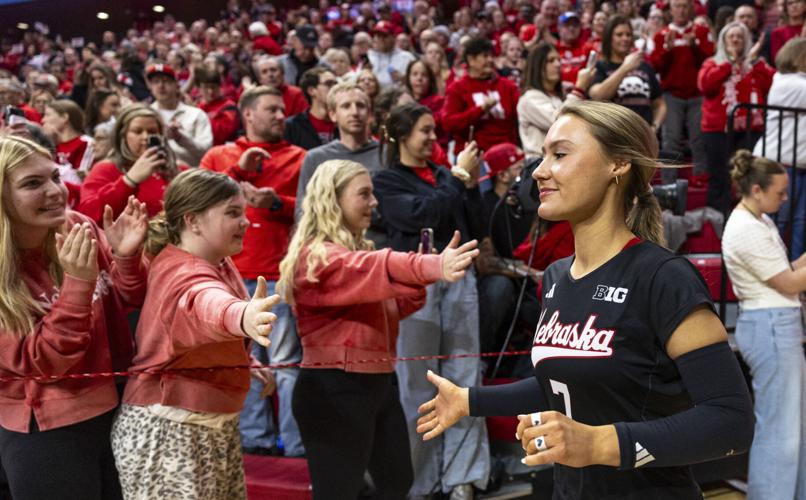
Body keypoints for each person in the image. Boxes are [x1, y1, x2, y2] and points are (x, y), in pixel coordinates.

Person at [416, 101, 754, 499]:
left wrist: (598, 445)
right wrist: (469, 400)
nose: (540, 171)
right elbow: (562, 383)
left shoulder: (664, 278)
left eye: (559, 154)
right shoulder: (557, 276)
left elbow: (731, 422)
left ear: (618, 164)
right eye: (543, 156)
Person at [277, 159, 479, 499]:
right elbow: (376, 264)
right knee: (339, 491)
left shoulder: (355, 253)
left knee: (396, 481)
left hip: (378, 382)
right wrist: (430, 265)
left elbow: (393, 306)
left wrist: (415, 279)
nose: (374, 203)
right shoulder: (316, 258)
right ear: (333, 199)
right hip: (334, 388)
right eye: (364, 194)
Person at [111, 169, 280, 499]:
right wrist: (244, 317)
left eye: (244, 212)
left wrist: (243, 359)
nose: (246, 222)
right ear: (193, 221)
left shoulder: (216, 260)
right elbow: (207, 306)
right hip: (170, 430)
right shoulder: (184, 272)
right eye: (233, 213)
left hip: (202, 426)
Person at [0, 135, 147, 500]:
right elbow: (41, 362)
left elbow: (127, 301)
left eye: (54, 176)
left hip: (115, 408)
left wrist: (127, 260)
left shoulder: (76, 226)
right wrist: (77, 286)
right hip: (47, 430)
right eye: (33, 184)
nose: (55, 191)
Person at [373, 102, 490, 498]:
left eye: (433, 131)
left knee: (464, 378)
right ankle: (418, 483)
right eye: (424, 131)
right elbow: (418, 215)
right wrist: (458, 178)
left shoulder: (444, 175)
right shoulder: (388, 181)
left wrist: (469, 186)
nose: (432, 139)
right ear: (400, 135)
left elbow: (473, 223)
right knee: (418, 386)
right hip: (414, 284)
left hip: (459, 279)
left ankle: (463, 479)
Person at [201, 85, 306, 458]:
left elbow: (317, 210)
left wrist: (277, 202)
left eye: (282, 110)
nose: (282, 116)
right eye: (272, 110)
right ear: (248, 114)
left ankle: (295, 445)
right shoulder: (220, 155)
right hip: (228, 276)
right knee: (240, 362)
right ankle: (256, 443)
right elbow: (195, 201)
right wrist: (236, 171)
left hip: (280, 275)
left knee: (286, 365)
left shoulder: (300, 157)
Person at [721, 150, 806, 500]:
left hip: (777, 324)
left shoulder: (759, 219)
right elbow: (787, 283)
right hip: (769, 326)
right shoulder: (743, 227)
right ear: (756, 190)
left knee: (794, 429)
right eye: (779, 193)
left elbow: (789, 270)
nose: (785, 199)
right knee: (779, 431)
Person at [697, 22, 775, 213]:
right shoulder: (712, 63)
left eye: (740, 36)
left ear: (747, 41)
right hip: (718, 130)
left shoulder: (756, 64)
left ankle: (748, 217)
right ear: (723, 41)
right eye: (731, 36)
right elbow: (705, 86)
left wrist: (755, 63)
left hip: (750, 130)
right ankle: (716, 223)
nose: (735, 39)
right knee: (720, 176)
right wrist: (728, 63)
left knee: (749, 176)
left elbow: (772, 83)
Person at [79, 104, 179, 223]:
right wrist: (129, 181)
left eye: (152, 131)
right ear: (123, 135)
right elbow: (88, 214)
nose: (145, 137)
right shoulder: (105, 169)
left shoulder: (171, 168)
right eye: (138, 131)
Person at [649, 0, 714, 178]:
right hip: (671, 95)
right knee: (671, 140)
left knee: (699, 140)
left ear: (691, 9)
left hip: (697, 94)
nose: (681, 10)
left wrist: (695, 47)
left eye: (685, 6)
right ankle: (669, 186)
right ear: (670, 10)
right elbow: (654, 66)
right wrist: (667, 50)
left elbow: (709, 60)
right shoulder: (661, 35)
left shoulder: (701, 31)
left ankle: (701, 181)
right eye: (677, 6)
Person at [753, 38, 806, 257]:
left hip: (798, 161)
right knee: (780, 219)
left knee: (800, 222)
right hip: (782, 162)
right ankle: (774, 271)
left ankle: (796, 280)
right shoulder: (790, 83)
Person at [442, 37, 520, 157]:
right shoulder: (457, 89)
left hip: (507, 154)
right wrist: (480, 110)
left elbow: (520, 112)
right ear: (471, 60)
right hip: (475, 157)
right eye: (484, 56)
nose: (490, 60)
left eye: (491, 56)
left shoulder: (507, 86)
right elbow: (449, 123)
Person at [589, 15, 666, 129]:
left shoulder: (644, 66)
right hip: (613, 134)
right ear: (609, 38)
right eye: (619, 35)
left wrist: (654, 126)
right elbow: (598, 96)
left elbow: (659, 104)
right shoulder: (600, 66)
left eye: (628, 34)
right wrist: (624, 68)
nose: (625, 38)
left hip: (642, 135)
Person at [517, 42, 588, 159]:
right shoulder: (529, 98)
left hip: (559, 162)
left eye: (558, 60)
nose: (558, 64)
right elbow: (558, 122)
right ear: (537, 66)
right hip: (538, 166)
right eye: (550, 61)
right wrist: (578, 90)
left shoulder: (557, 97)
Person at [146, 63, 212, 167]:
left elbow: (207, 151)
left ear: (176, 85)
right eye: (156, 82)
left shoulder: (196, 114)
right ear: (150, 86)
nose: (161, 86)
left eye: (165, 81)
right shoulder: (146, 115)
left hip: (190, 176)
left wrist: (181, 138)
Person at [42, 100, 95, 185]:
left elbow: (79, 179)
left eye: (48, 115)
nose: (43, 120)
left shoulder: (85, 142)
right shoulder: (53, 145)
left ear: (64, 117)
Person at [284, 67, 338, 150]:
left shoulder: (344, 121)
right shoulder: (292, 126)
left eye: (336, 84)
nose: (335, 89)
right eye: (329, 84)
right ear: (311, 91)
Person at [195, 65, 241, 146]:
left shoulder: (229, 107)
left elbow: (219, 134)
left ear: (220, 87)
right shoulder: (199, 107)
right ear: (199, 89)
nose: (210, 91)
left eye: (213, 87)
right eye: (206, 87)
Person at [369, 20, 418, 87]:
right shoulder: (369, 57)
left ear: (393, 37)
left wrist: (405, 79)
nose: (380, 39)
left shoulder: (407, 57)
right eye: (378, 36)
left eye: (384, 36)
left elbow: (417, 80)